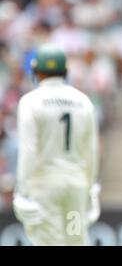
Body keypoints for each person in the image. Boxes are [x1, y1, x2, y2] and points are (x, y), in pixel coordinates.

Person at [13, 44, 100, 245]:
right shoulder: (83, 101)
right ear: (65, 71)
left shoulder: (30, 101)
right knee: (75, 241)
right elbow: (92, 151)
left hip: (44, 187)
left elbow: (29, 150)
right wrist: (90, 190)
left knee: (48, 242)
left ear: (37, 71)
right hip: (76, 186)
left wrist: (22, 192)